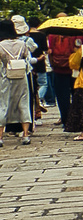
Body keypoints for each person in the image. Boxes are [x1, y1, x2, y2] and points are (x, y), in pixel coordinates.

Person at [0, 19, 34, 147]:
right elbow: (27, 58)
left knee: (3, 104)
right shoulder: (22, 44)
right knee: (23, 103)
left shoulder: (1, 45)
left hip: (5, 77)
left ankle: (0, 136)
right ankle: (25, 134)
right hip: (21, 76)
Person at [46, 19, 79, 130]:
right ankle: (76, 118)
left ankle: (66, 120)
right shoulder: (76, 34)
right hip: (74, 70)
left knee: (62, 97)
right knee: (76, 95)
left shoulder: (52, 35)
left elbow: (50, 51)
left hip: (58, 69)